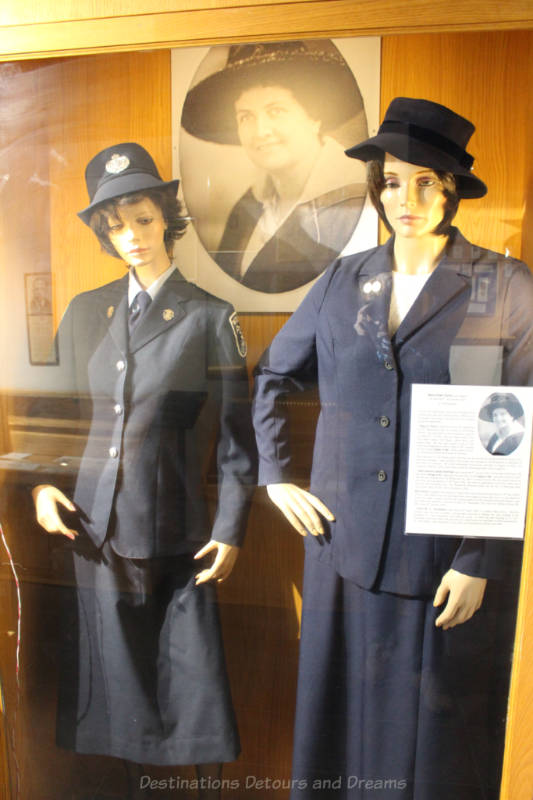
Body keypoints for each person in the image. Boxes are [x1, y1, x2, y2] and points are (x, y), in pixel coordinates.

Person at [252, 98, 533, 798]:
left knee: (431, 740)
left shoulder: (506, 288)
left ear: (451, 190)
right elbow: (273, 375)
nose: (403, 198)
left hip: (439, 558)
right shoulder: (343, 281)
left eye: (424, 181)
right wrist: (275, 475)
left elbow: (513, 428)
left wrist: (479, 557)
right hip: (341, 545)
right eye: (390, 181)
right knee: (338, 726)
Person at [31, 143, 256, 799]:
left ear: (166, 218)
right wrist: (42, 486)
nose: (131, 236)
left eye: (143, 218)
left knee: (194, 683)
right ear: (104, 232)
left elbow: (237, 438)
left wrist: (233, 527)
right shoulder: (84, 311)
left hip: (180, 529)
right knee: (119, 691)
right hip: (93, 529)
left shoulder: (210, 317)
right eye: (116, 224)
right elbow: (51, 417)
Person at [181, 40, 367, 293]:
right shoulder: (248, 206)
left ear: (315, 117)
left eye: (276, 111)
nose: (261, 131)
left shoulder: (353, 200)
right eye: (246, 117)